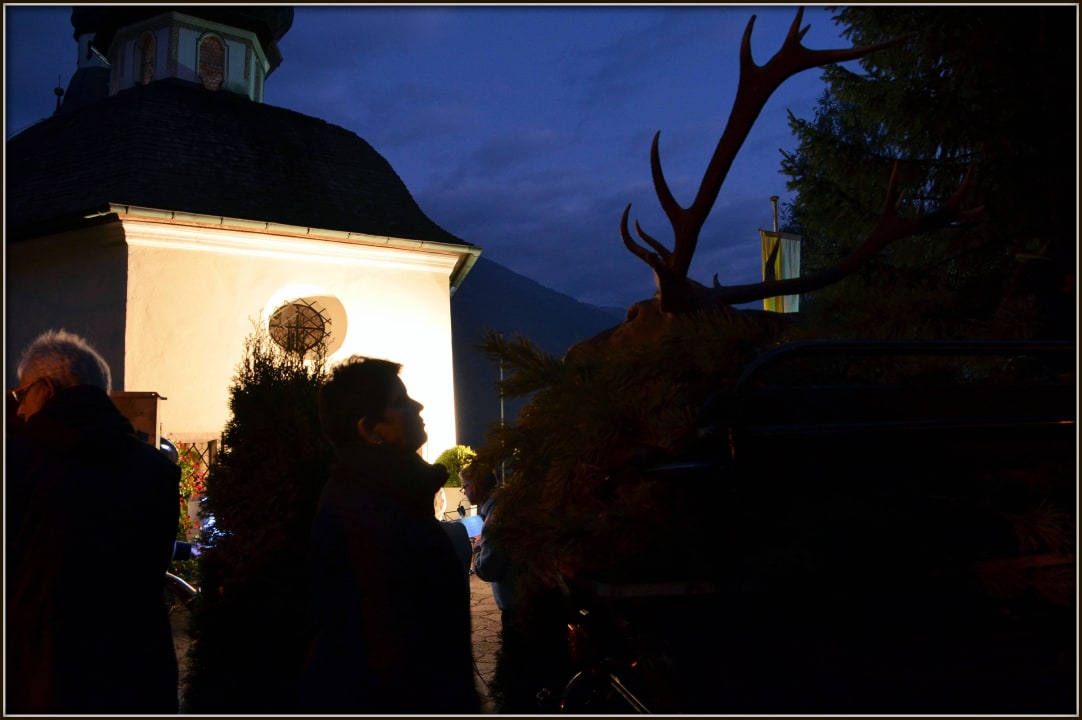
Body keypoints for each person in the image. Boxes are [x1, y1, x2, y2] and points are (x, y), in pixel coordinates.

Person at [5, 329, 181, 714]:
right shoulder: (156, 470)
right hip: (137, 677)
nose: (18, 409)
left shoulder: (16, 465)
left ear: (46, 389)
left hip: (42, 680)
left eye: (22, 393)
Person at [299, 356, 480, 714]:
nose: (418, 406)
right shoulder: (369, 512)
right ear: (371, 430)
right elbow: (392, 650)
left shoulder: (385, 493)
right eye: (400, 402)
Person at [460, 463, 512, 611]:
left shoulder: (494, 520)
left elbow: (487, 570)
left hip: (517, 605)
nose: (464, 492)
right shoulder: (506, 505)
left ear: (473, 487)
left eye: (464, 487)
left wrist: (477, 548)